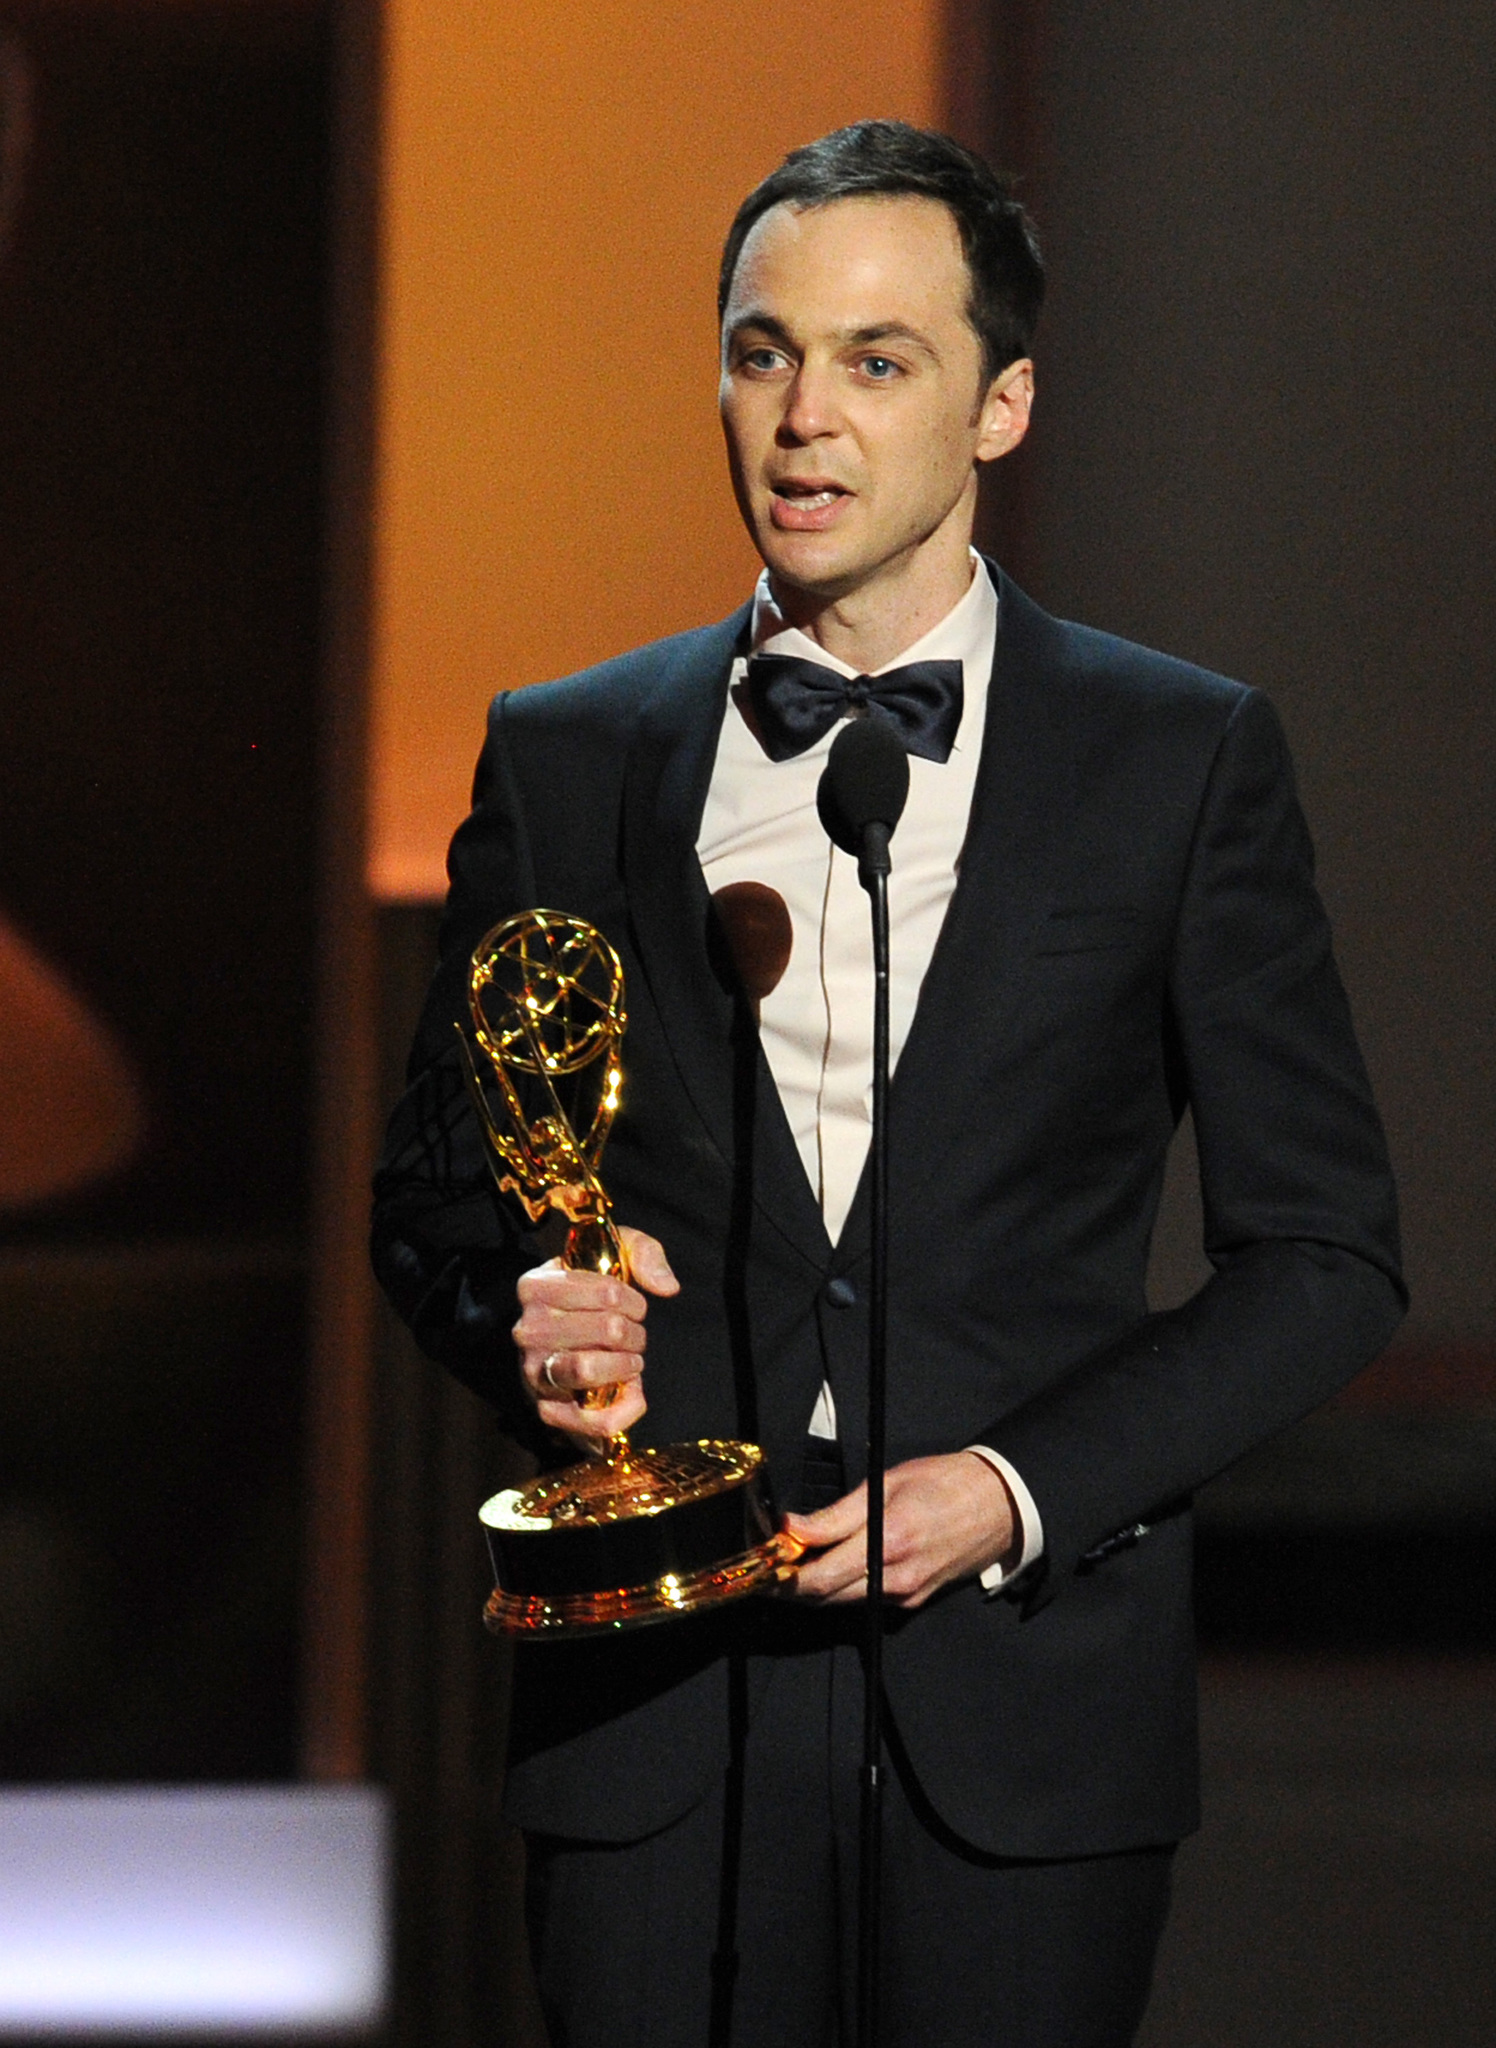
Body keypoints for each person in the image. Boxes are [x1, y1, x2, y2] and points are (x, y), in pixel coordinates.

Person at [372, 121, 1404, 2048]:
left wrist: (1016, 1490)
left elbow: (1326, 1255)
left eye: (877, 361)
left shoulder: (1177, 760)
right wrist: (526, 1318)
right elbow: (435, 1199)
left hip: (1019, 1705)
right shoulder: (571, 753)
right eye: (762, 353)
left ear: (1002, 406)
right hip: (654, 1715)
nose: (803, 422)